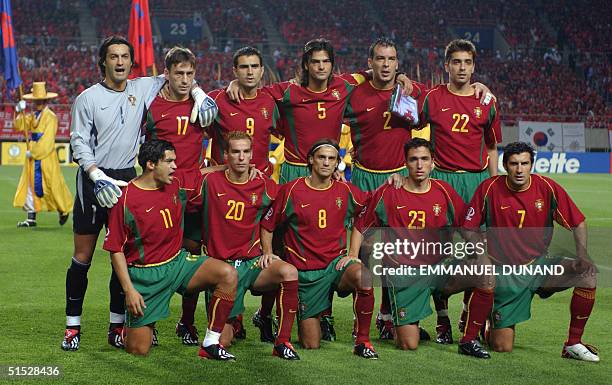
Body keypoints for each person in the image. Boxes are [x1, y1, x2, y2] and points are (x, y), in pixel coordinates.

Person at [63, 35, 216, 351]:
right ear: (102, 62)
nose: (119, 62)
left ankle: (117, 326)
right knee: (83, 257)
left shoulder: (141, 87)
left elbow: (178, 71)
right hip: (93, 179)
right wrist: (95, 175)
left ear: (131, 62)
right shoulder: (87, 98)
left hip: (126, 180)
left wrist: (200, 94)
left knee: (127, 255)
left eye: (124, 57)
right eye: (113, 56)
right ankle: (72, 327)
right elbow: (78, 142)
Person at [350, 138, 494, 358]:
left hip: (440, 270)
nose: (419, 165)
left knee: (485, 275)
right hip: (406, 273)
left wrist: (481, 256)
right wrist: (353, 256)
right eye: (414, 159)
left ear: (432, 163)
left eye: (424, 159)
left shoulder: (444, 191)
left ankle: (469, 339)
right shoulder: (389, 192)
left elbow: (467, 226)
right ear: (405, 164)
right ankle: (401, 324)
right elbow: (361, 225)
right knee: (408, 344)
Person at [463, 141, 599, 362]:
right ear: (505, 165)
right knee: (502, 346)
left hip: (539, 266)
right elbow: (468, 228)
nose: (519, 169)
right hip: (504, 273)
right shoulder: (489, 188)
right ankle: (487, 323)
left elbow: (578, 222)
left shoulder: (547, 187)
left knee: (587, 273)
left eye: (524, 163)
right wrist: (481, 255)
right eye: (514, 164)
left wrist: (582, 254)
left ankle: (573, 343)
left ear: (531, 165)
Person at [103, 139, 238, 360]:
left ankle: (210, 343)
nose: (175, 166)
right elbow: (115, 249)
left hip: (178, 263)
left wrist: (231, 166)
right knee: (138, 350)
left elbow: (202, 173)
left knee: (228, 274)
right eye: (169, 161)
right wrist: (129, 291)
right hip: (147, 276)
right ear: (150, 164)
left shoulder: (174, 183)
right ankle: (132, 326)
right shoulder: (126, 200)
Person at [414, 39, 502, 341]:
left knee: (477, 253)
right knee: (437, 252)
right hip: (443, 183)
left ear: (473, 66)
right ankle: (441, 319)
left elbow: (491, 145)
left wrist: (493, 183)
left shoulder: (487, 101)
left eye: (467, 62)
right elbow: (407, 126)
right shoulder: (432, 98)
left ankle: (469, 315)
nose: (462, 67)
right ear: (446, 66)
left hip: (477, 182)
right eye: (456, 62)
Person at [260, 139, 378, 359]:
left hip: (336, 266)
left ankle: (363, 341)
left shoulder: (345, 190)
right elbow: (267, 224)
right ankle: (300, 319)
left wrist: (353, 253)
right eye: (321, 157)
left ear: (337, 163)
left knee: (364, 277)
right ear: (311, 160)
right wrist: (268, 251)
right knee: (311, 344)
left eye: (331, 158)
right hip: (306, 273)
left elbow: (366, 211)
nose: (326, 162)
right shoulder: (292, 190)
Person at [192, 131, 300, 359]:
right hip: (221, 270)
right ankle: (229, 323)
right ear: (226, 155)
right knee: (224, 341)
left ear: (252, 155)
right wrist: (218, 168)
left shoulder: (264, 185)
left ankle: (282, 343)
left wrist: (269, 251)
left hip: (252, 265)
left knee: (288, 271)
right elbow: (184, 180)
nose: (241, 157)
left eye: (245, 152)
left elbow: (290, 199)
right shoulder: (209, 182)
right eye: (235, 152)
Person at [144, 46, 209, 346]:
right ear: (166, 74)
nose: (184, 80)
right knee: (158, 259)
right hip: (163, 193)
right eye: (178, 73)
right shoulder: (153, 108)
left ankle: (186, 322)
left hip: (195, 193)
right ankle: (152, 322)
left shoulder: (204, 106)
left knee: (193, 257)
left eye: (189, 74)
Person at [13, 82, 72, 227]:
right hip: (33, 157)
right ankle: (31, 217)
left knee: (52, 185)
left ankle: (63, 209)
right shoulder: (33, 115)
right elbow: (20, 126)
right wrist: (19, 111)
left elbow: (47, 140)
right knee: (30, 184)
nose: (35, 103)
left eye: (37, 100)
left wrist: (33, 152)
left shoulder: (50, 117)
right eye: (34, 100)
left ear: (45, 101)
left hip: (45, 157)